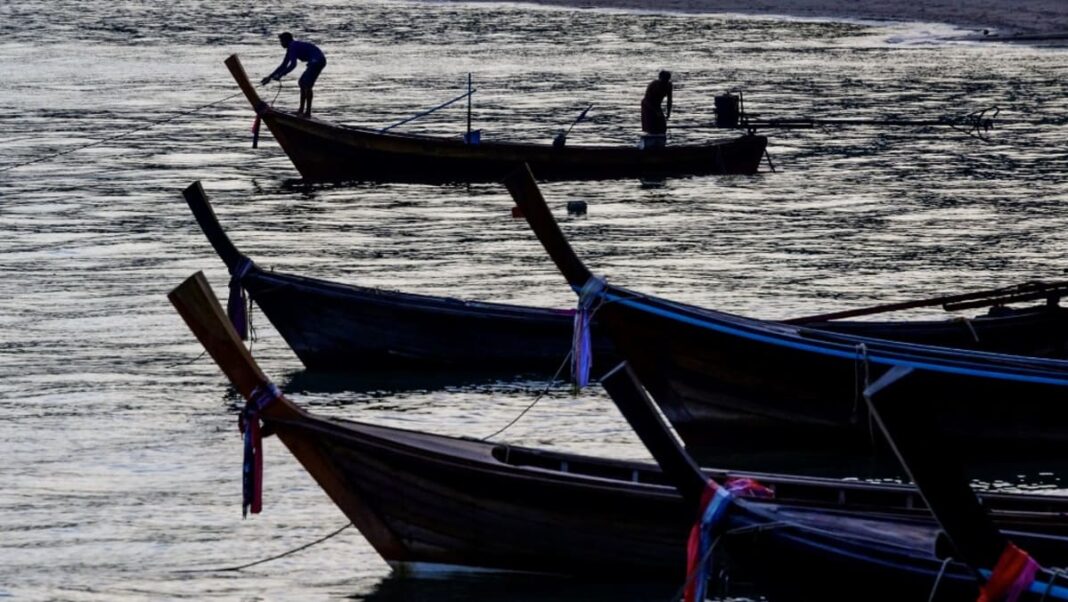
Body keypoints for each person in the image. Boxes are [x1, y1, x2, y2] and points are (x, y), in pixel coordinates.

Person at [261, 32, 326, 117]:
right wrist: (270, 77)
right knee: (302, 83)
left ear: (286, 41)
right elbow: (283, 65)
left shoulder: (292, 46)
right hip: (316, 61)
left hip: (316, 61)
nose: (281, 44)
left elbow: (293, 65)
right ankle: (301, 110)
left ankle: (307, 113)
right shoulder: (291, 48)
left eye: (281, 41)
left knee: (306, 85)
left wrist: (281, 75)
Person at [641, 70, 673, 135]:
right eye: (663, 80)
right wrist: (656, 111)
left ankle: (660, 138)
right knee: (651, 124)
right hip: (647, 105)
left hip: (657, 105)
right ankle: (650, 137)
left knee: (662, 125)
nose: (664, 82)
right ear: (660, 78)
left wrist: (668, 113)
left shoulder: (669, 85)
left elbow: (669, 101)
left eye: (666, 80)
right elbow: (647, 100)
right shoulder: (653, 85)